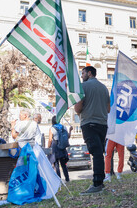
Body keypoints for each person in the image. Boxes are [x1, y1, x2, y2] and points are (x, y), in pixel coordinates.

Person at [75, 66, 110, 194]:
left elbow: (78, 108)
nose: (81, 75)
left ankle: (97, 184)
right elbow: (108, 109)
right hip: (102, 124)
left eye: (83, 73)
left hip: (89, 123)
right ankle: (100, 182)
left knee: (96, 153)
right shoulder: (104, 88)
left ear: (89, 73)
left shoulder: (83, 87)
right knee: (99, 152)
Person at [48, 116, 73, 182]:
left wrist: (48, 148)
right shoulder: (63, 127)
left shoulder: (52, 128)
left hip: (55, 147)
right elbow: (68, 136)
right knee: (63, 164)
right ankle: (67, 179)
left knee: (56, 165)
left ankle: (59, 180)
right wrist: (70, 130)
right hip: (62, 147)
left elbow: (50, 139)